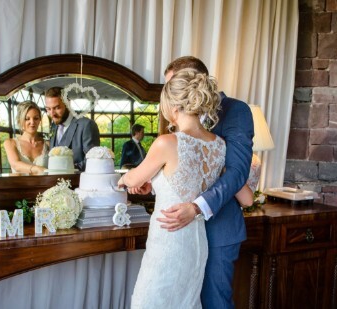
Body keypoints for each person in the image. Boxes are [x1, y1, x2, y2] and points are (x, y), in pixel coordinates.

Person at [130, 56, 254, 308]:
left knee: (213, 303)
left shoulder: (236, 110)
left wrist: (197, 207)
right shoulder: (176, 123)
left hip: (218, 227)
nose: (171, 94)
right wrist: (154, 184)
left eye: (174, 84)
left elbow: (237, 172)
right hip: (181, 237)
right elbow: (180, 170)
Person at [118, 69, 226, 307]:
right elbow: (186, 182)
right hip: (197, 243)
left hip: (169, 242)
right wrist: (154, 186)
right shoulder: (218, 145)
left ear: (173, 106)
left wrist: (125, 179)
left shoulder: (167, 142)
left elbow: (135, 179)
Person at [45, 87, 100, 171]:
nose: (52, 114)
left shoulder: (87, 125)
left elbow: (92, 161)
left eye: (57, 108)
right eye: (48, 109)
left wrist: (66, 167)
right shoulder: (54, 126)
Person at [3, 101, 48, 175]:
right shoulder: (10, 143)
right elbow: (15, 164)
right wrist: (37, 169)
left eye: (36, 118)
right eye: (27, 119)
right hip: (20, 186)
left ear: (40, 120)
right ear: (20, 121)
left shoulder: (47, 144)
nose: (32, 122)